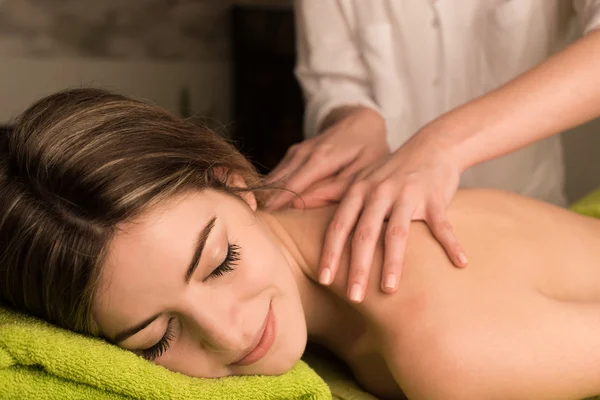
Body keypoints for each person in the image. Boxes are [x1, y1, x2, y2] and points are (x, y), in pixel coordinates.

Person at [4, 89, 600, 399]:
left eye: (221, 263)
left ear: (236, 180)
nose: (231, 335)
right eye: (156, 338)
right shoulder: (291, 213)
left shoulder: (447, 354)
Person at [264, 0, 600, 303]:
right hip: (383, 240)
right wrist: (353, 117)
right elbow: (334, 80)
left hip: (529, 220)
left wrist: (444, 144)